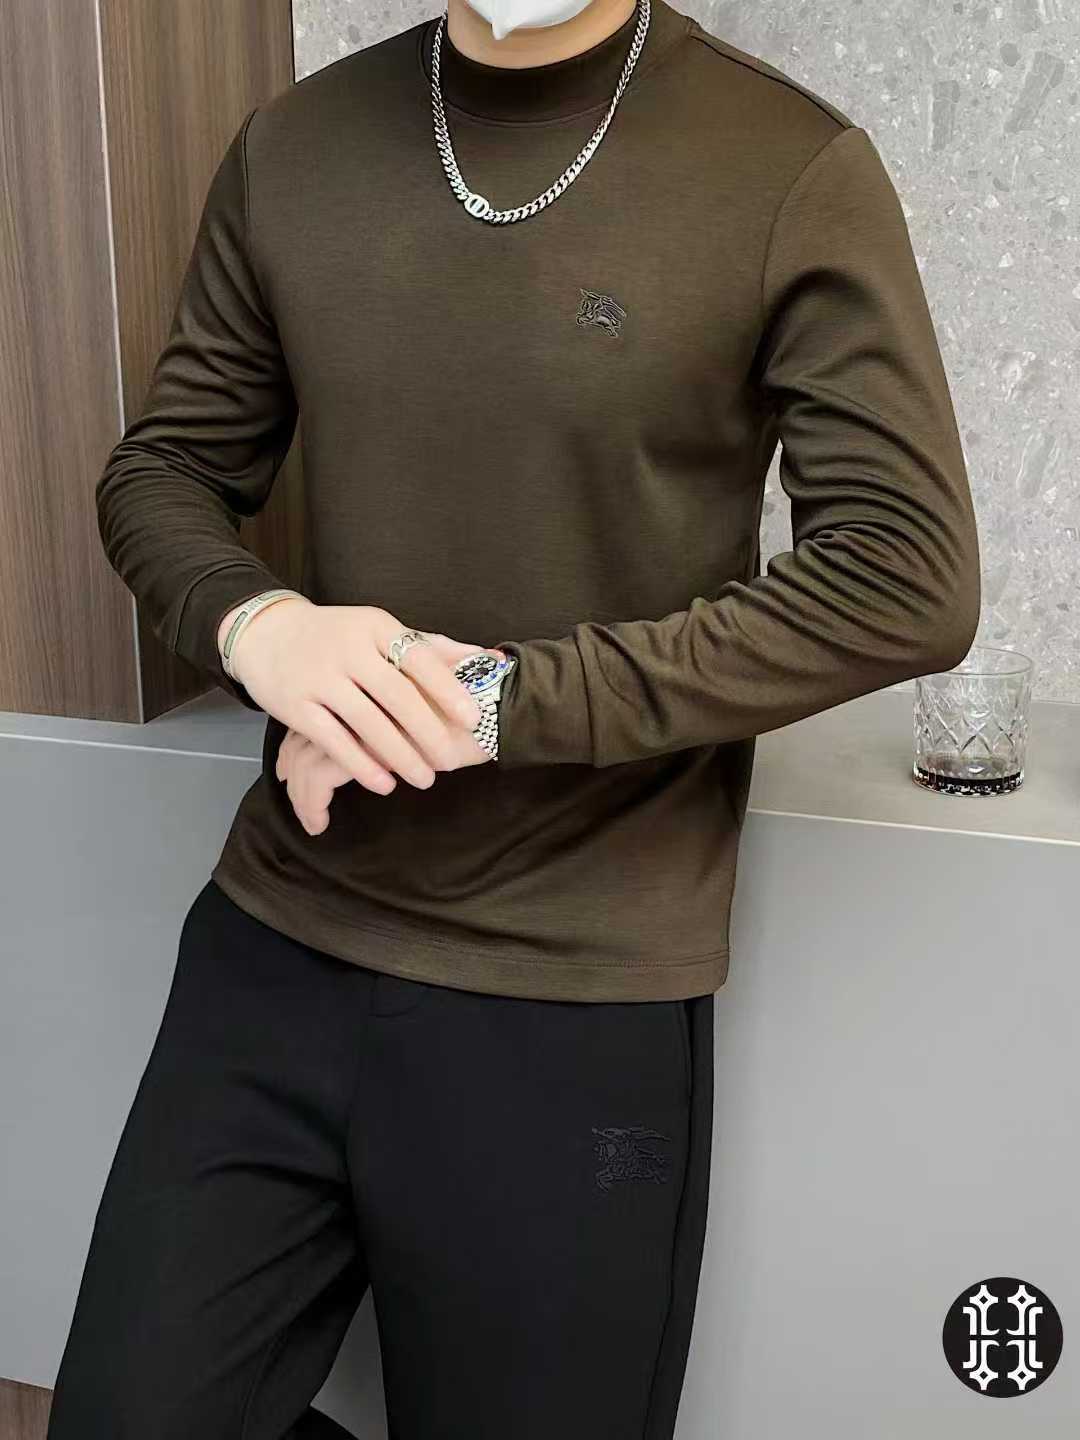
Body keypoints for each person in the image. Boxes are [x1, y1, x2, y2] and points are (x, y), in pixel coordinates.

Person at [46, 0, 981, 1435]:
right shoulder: (295, 147)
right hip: (275, 943)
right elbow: (164, 469)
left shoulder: (789, 166)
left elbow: (903, 578)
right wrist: (261, 627)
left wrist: (491, 703)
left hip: (574, 988)